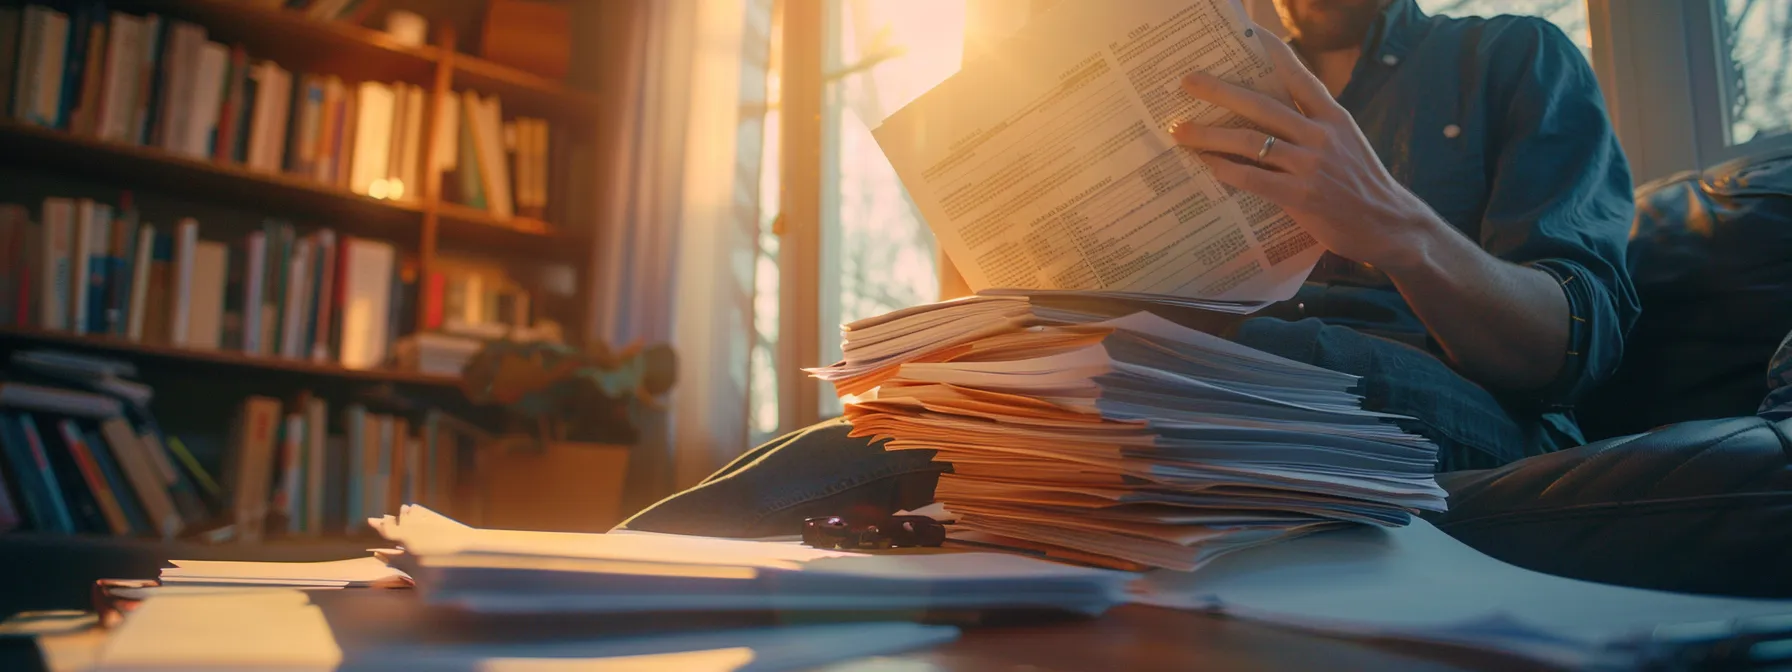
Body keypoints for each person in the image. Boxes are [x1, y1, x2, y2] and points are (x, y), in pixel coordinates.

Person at [619, 0, 1639, 536]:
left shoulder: (1512, 58)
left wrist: (1394, 227)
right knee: (918, 405)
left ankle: (584, 595)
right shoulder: (1189, 67)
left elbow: (1567, 355)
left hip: (1426, 409)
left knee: (1072, 374)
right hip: (1176, 375)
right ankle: (595, 584)